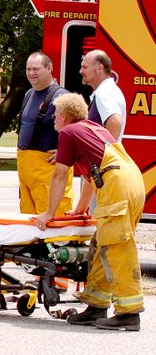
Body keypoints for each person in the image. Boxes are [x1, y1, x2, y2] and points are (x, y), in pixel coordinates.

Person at [35, 93, 144, 331]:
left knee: (117, 249)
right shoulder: (93, 129)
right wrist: (81, 210)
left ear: (64, 116)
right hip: (131, 181)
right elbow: (90, 176)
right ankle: (96, 305)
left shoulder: (68, 132)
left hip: (116, 186)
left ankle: (129, 313)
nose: (53, 118)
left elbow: (60, 174)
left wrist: (48, 214)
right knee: (101, 246)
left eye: (55, 114)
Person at [16, 52, 73, 215]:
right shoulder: (28, 94)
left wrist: (65, 152)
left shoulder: (62, 97)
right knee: (28, 220)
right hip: (26, 169)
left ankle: (54, 242)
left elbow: (79, 130)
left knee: (53, 218)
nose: (31, 73)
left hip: (48, 170)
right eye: (28, 69)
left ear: (49, 68)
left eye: (36, 69)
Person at [80, 49, 126, 140]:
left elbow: (115, 121)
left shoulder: (104, 93)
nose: (80, 71)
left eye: (85, 67)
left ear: (99, 69)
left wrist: (105, 151)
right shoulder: (107, 90)